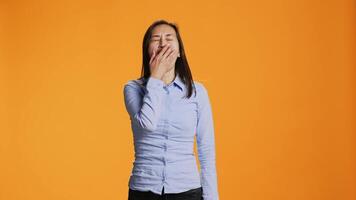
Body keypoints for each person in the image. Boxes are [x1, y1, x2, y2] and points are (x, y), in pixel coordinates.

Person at [123, 19, 219, 200]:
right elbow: (147, 123)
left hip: (187, 191)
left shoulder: (198, 92)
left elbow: (206, 151)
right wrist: (156, 76)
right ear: (147, 50)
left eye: (169, 38)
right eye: (156, 39)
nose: (163, 43)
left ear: (180, 52)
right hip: (144, 191)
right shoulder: (133, 88)